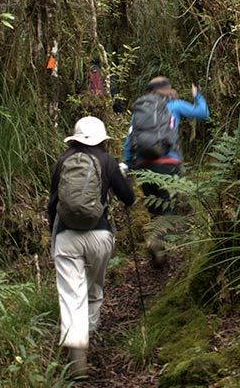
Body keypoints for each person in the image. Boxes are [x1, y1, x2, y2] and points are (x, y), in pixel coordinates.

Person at [48, 116, 135, 379]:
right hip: (99, 235)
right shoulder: (107, 161)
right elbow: (129, 198)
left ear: (75, 138)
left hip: (66, 236)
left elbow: (52, 204)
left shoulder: (63, 161)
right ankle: (90, 333)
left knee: (71, 293)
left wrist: (54, 232)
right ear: (102, 139)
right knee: (94, 287)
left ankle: (76, 353)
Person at [122, 76, 209, 266]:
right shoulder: (174, 105)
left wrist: (128, 164)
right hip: (169, 163)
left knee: (154, 209)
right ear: (168, 89)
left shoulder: (139, 111)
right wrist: (198, 95)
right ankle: (159, 242)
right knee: (168, 206)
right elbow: (203, 113)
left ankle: (156, 245)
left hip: (144, 166)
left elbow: (130, 140)